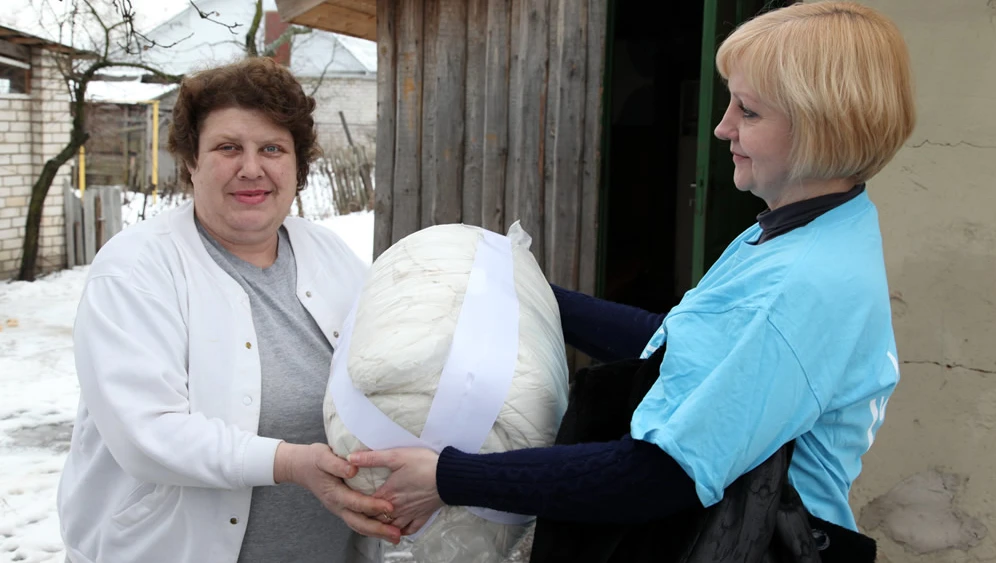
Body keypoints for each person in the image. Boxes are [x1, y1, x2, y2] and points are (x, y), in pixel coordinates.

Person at [348, 0, 916, 544]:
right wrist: (522, 290)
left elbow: (656, 475)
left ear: (820, 126)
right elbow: (677, 346)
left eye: (748, 110)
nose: (722, 128)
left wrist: (449, 478)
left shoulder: (799, 285)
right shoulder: (807, 228)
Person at [56, 57, 401, 563]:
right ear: (191, 162)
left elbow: (384, 374)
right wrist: (288, 462)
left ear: (298, 166)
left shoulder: (330, 255)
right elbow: (146, 434)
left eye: (272, 148)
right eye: (227, 148)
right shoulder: (135, 269)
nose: (252, 168)